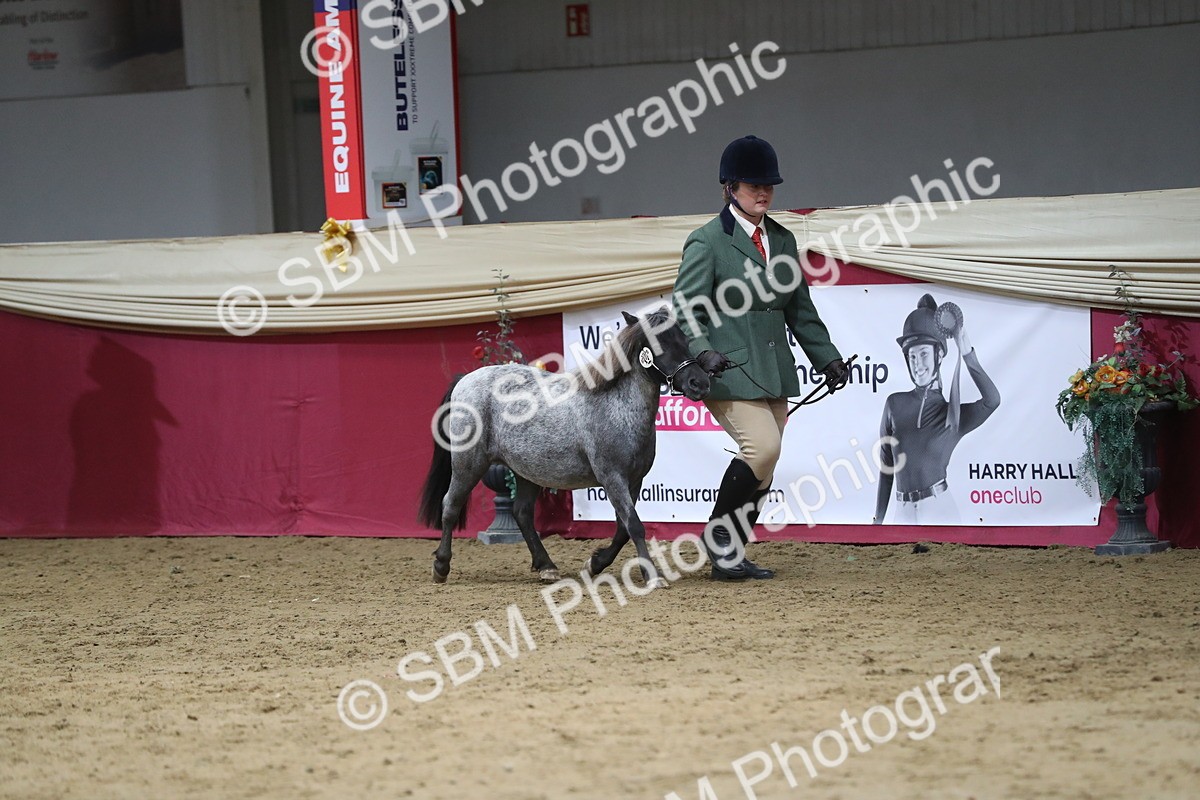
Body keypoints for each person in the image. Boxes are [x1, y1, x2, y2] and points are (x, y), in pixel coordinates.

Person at [672, 135, 848, 580]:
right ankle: (718, 540)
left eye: (769, 185)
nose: (763, 193)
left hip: (773, 368)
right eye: (753, 185)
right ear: (730, 187)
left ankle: (732, 553)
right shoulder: (707, 242)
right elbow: (687, 308)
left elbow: (799, 309)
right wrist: (701, 351)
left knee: (765, 464)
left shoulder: (784, 241)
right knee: (762, 447)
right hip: (727, 366)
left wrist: (826, 357)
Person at [874, 294, 1001, 524]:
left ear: (939, 354)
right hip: (901, 512)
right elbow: (886, 468)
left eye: (923, 354)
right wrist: (877, 522)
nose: (917, 363)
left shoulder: (953, 415)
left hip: (940, 509)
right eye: (912, 356)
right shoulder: (894, 404)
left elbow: (992, 400)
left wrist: (966, 352)